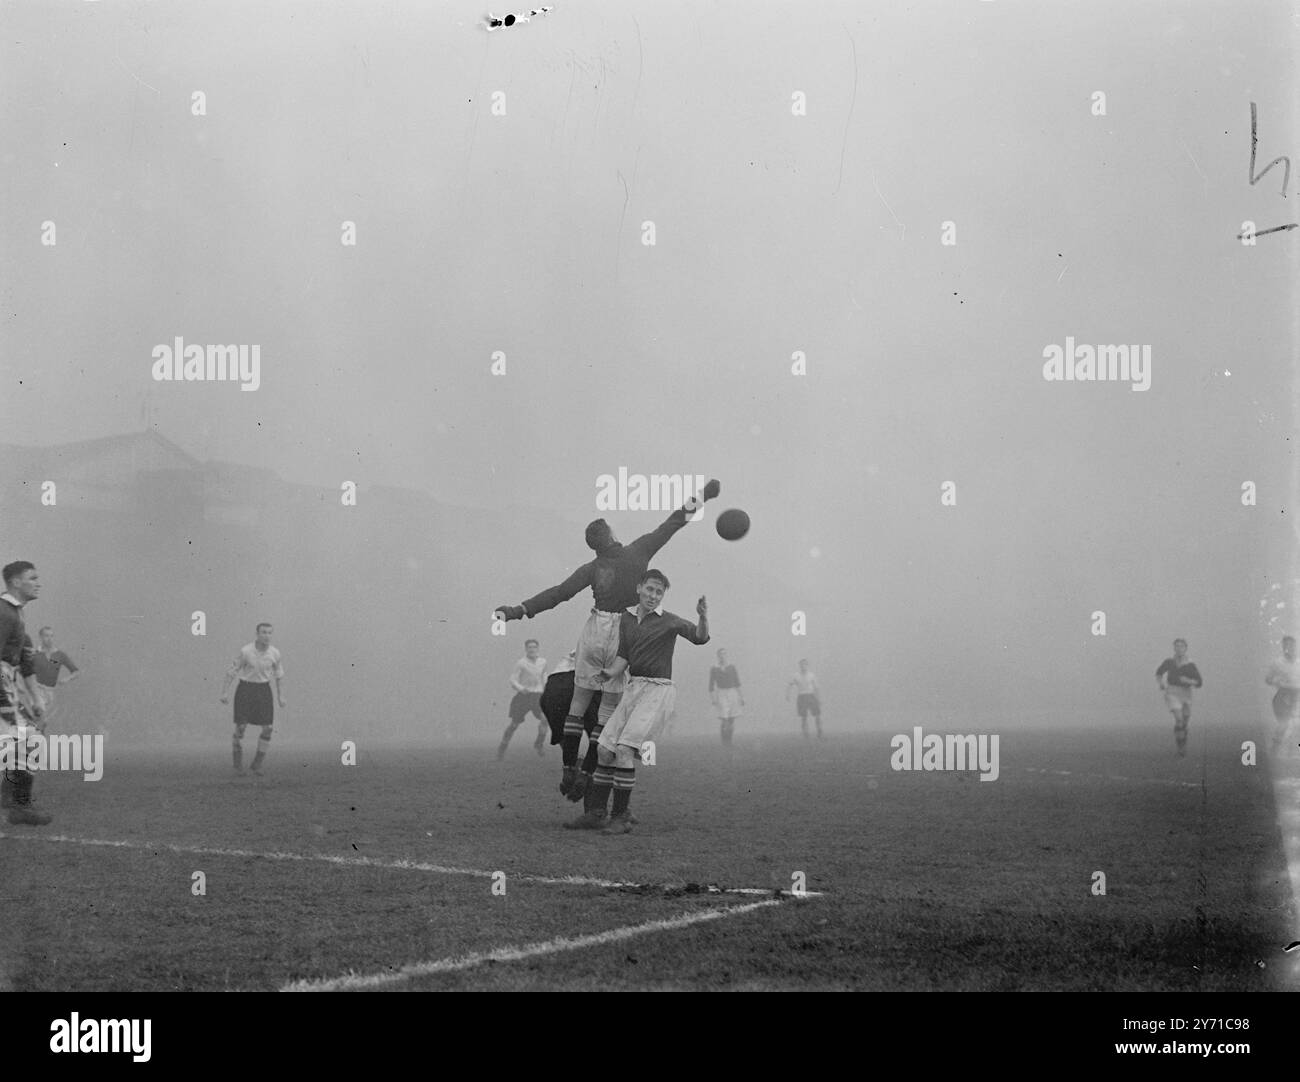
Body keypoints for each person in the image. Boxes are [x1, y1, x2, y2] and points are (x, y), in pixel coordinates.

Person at [494, 479, 720, 801]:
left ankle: (568, 766)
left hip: (594, 630)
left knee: (577, 704)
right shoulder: (638, 552)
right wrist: (703, 497)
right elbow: (673, 523)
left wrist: (518, 610)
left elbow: (558, 594)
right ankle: (588, 772)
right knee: (608, 711)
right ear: (612, 536)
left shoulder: (592, 567)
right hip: (622, 631)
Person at [565, 569, 709, 834]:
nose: (654, 596)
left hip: (658, 691)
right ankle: (597, 813)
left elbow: (700, 638)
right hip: (634, 688)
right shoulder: (627, 620)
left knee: (623, 751)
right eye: (650, 589)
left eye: (659, 592)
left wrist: (702, 616)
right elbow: (624, 655)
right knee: (604, 750)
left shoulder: (670, 621)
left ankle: (620, 817)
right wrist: (609, 673)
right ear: (639, 588)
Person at [0, 561, 51, 825]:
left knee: (29, 739)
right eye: (32, 578)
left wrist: (36, 700)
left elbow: (26, 664)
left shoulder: (17, 615)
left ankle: (14, 801)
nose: (38, 582)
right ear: (16, 582)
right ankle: (14, 802)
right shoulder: (4, 612)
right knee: (18, 741)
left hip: (6, 683)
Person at [220, 623, 285, 774]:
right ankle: (237, 764)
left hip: (263, 690)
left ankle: (257, 764)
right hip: (246, 689)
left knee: (268, 728)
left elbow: (279, 675)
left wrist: (281, 696)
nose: (267, 636)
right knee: (241, 727)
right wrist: (224, 692)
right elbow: (232, 670)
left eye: (269, 633)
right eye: (264, 632)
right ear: (257, 634)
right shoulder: (246, 651)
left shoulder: (275, 653)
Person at [498, 639, 548, 759]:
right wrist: (521, 688)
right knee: (514, 724)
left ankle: (538, 744)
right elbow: (513, 679)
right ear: (526, 649)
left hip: (538, 695)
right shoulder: (521, 663)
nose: (532, 649)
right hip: (524, 696)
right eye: (529, 647)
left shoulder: (543, 662)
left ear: (538, 648)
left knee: (545, 719)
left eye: (534, 647)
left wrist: (547, 688)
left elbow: (544, 676)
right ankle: (502, 747)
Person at [1155, 638, 1202, 757]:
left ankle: (1183, 741)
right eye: (1177, 646)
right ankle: (1180, 749)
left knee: (1185, 720)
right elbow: (1159, 672)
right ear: (1174, 648)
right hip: (1172, 692)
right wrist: (1161, 683)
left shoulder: (1190, 665)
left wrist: (1189, 680)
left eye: (1181, 646)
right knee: (1179, 719)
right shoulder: (1169, 662)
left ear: (1186, 648)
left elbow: (1199, 682)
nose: (1179, 648)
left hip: (1186, 693)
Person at [32, 625, 79, 727]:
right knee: (37, 717)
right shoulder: (34, 654)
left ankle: (37, 739)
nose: (49, 639)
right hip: (36, 691)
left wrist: (67, 679)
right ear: (40, 637)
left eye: (51, 636)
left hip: (50, 692)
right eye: (46, 636)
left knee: (43, 722)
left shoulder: (60, 655)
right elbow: (20, 669)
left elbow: (75, 671)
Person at [1264, 635, 1299, 755]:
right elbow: (1268, 679)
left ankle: (1292, 751)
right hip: (1284, 695)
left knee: (1295, 724)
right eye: (1286, 646)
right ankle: (1275, 749)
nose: (1289, 648)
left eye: (1292, 646)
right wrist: (1278, 681)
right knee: (1285, 723)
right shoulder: (1277, 663)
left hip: (1297, 695)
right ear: (1283, 647)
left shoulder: (1299, 663)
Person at [709, 648, 744, 746]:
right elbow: (711, 685)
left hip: (732, 692)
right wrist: (713, 699)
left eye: (724, 654)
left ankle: (729, 739)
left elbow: (737, 682)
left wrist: (741, 697)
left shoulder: (732, 667)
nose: (722, 656)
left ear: (726, 655)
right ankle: (724, 740)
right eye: (720, 654)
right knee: (724, 718)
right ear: (718, 656)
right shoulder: (714, 668)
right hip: (721, 693)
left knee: (731, 718)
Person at [786, 659, 822, 738]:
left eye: (805, 665)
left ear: (807, 665)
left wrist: (818, 699)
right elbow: (790, 684)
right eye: (802, 665)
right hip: (802, 696)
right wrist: (788, 694)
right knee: (803, 717)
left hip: (811, 695)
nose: (803, 666)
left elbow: (816, 688)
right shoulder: (796, 675)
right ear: (800, 666)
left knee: (817, 715)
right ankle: (806, 734)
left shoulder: (811, 675)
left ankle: (819, 732)